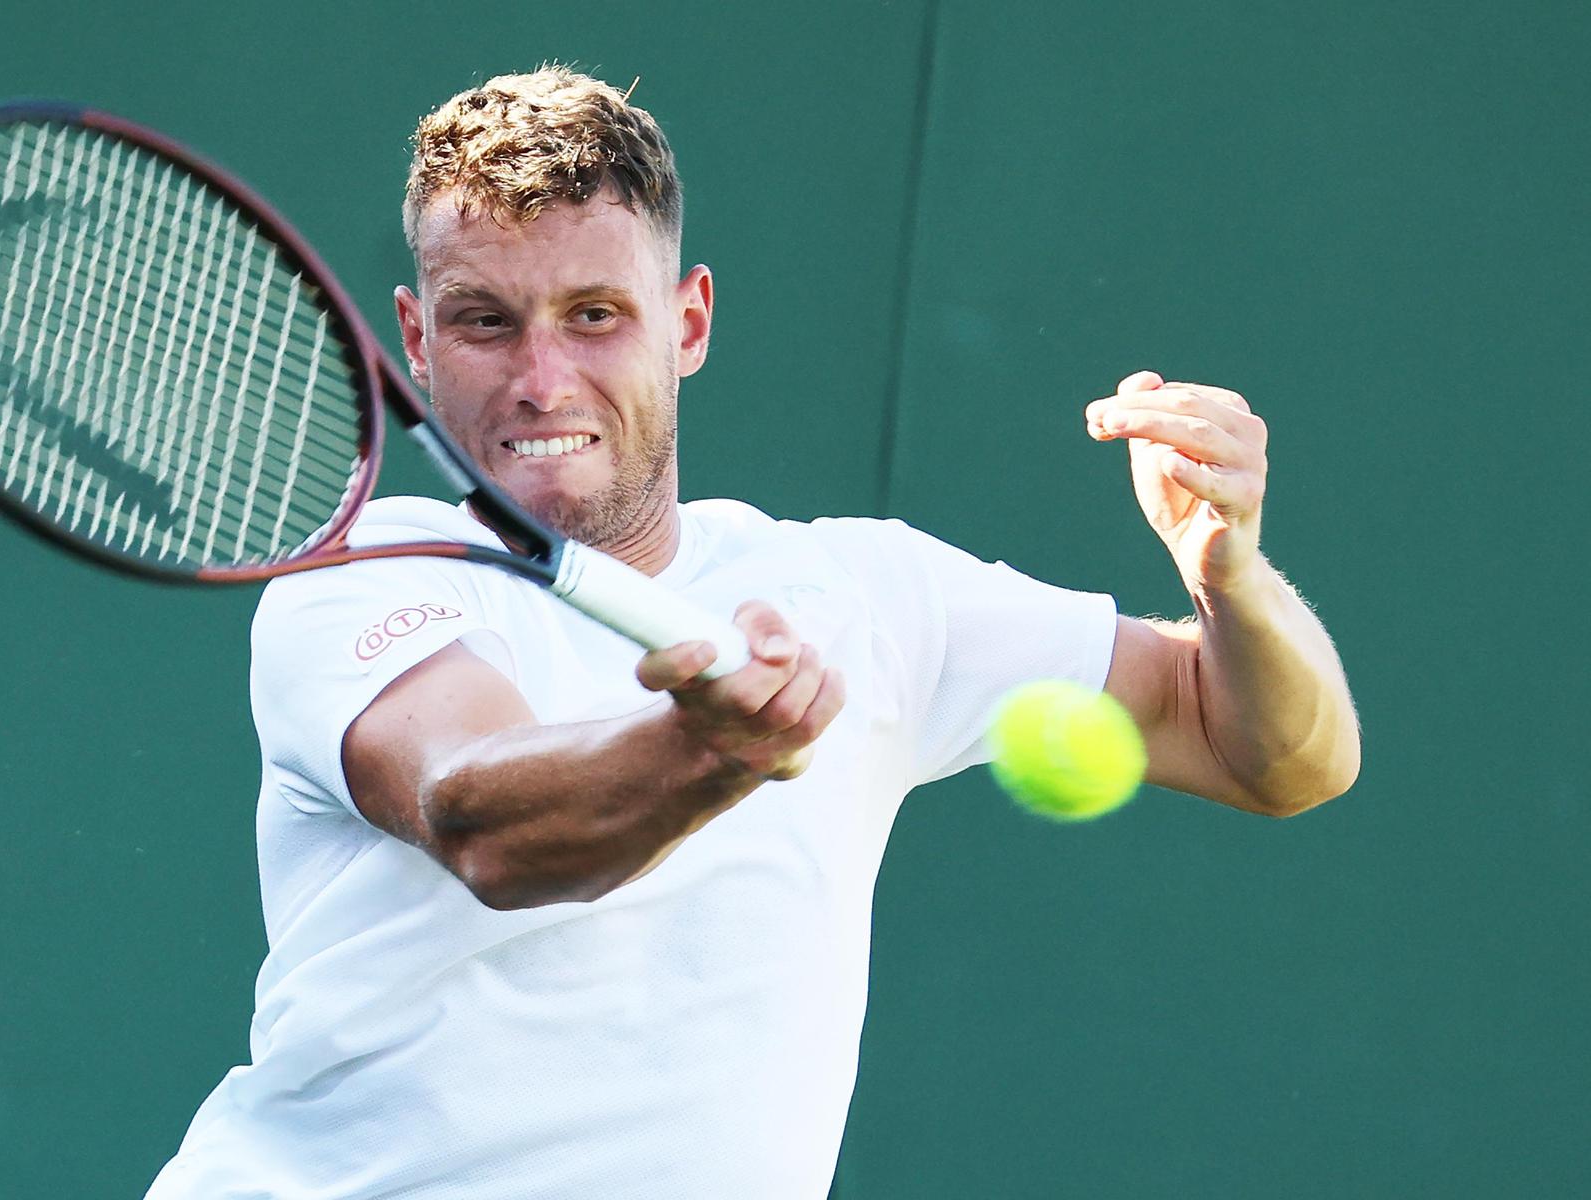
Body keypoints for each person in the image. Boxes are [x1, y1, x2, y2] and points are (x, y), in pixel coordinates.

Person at [146, 67, 1359, 1199]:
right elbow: (482, 821)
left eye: (595, 315)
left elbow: (1269, 753)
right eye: (486, 322)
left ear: (689, 323)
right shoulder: (368, 567)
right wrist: (706, 749)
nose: (543, 377)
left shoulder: (871, 594)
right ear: (416, 339)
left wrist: (1230, 578)